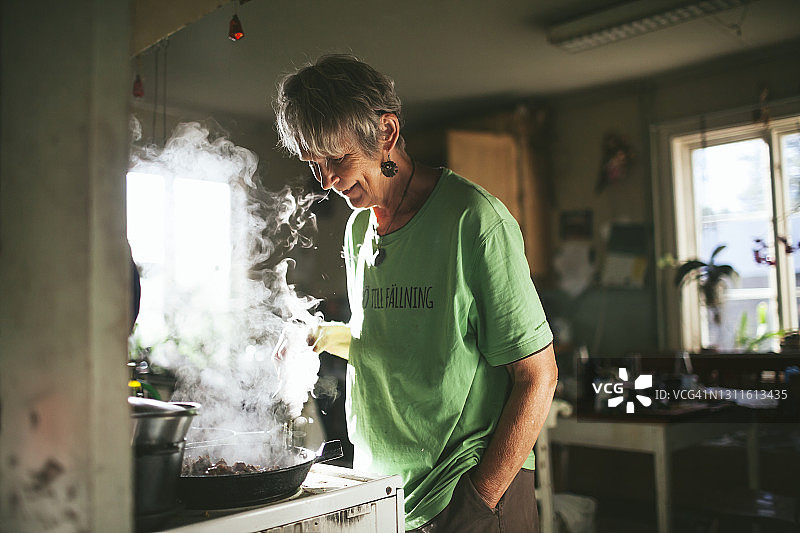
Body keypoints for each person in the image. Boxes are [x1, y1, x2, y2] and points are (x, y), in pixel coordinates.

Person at [274, 54, 558, 533]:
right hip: (386, 493)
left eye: (338, 159)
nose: (328, 181)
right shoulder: (358, 228)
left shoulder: (474, 220)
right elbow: (393, 341)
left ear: (385, 133)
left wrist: (476, 504)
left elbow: (539, 377)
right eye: (314, 164)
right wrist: (319, 336)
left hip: (466, 493)